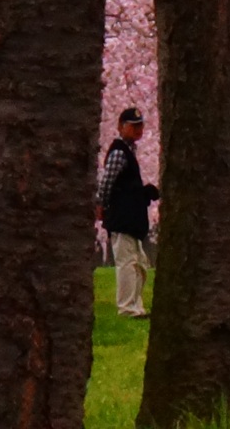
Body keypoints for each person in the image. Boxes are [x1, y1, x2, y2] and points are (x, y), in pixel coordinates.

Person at [95, 107, 159, 318]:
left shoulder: (129, 152)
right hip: (122, 219)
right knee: (127, 264)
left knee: (139, 264)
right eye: (133, 126)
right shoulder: (119, 153)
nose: (138, 130)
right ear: (121, 126)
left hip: (131, 219)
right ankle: (127, 308)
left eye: (140, 125)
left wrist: (142, 193)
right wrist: (101, 205)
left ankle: (135, 306)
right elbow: (107, 182)